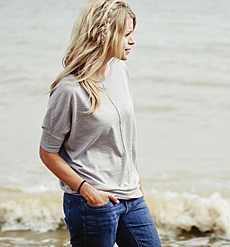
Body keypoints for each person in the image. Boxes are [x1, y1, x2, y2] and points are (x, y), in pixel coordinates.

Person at [39, 0, 161, 246]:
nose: (132, 41)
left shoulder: (120, 71)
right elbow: (47, 152)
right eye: (126, 34)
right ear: (106, 36)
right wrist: (88, 191)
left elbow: (122, 135)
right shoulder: (69, 90)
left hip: (131, 196)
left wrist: (135, 180)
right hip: (93, 202)